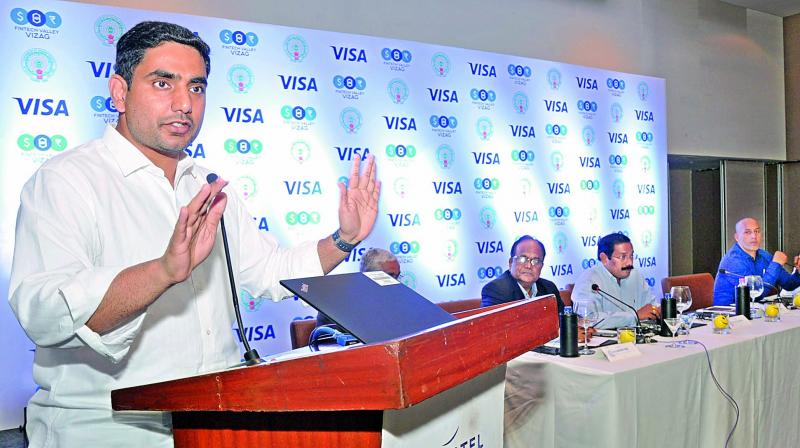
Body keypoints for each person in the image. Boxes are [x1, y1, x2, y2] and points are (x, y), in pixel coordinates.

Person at [7, 21, 380, 447]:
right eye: (163, 83)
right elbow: (46, 315)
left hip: (215, 427)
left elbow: (269, 271)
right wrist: (164, 271)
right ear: (119, 91)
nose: (184, 103)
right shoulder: (66, 181)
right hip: (108, 433)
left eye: (197, 87)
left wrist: (344, 239)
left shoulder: (208, 185)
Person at [571, 232, 660, 329]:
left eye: (631, 256)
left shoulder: (635, 275)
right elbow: (587, 319)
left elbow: (651, 306)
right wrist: (634, 316)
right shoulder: (589, 280)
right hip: (606, 342)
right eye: (623, 257)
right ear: (604, 258)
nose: (630, 262)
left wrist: (658, 310)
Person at [713, 217, 800, 305]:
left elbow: (789, 285)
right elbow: (754, 294)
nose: (754, 236)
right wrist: (776, 264)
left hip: (753, 310)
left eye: (757, 231)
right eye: (747, 232)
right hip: (728, 313)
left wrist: (798, 271)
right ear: (737, 237)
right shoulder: (733, 261)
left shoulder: (764, 255)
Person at [316, 248, 400, 327]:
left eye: (398, 275)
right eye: (391, 276)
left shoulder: (397, 300)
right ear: (370, 275)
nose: (397, 282)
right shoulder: (337, 303)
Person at [481, 235, 564, 313]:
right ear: (510, 263)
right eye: (522, 259)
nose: (528, 266)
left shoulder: (549, 289)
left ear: (541, 266)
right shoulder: (495, 290)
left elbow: (564, 323)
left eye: (535, 261)